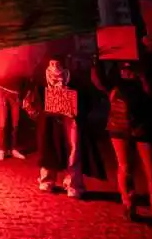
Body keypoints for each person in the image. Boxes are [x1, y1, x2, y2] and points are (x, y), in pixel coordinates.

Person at [91, 40, 152, 226]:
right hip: (119, 124)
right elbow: (101, 83)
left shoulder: (149, 68)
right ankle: (129, 206)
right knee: (125, 168)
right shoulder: (115, 70)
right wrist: (97, 61)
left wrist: (142, 75)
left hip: (143, 126)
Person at [36, 55, 105, 198]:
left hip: (71, 117)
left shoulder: (74, 75)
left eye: (58, 62)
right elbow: (37, 94)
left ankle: (73, 183)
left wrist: (77, 109)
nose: (55, 65)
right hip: (50, 118)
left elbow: (86, 94)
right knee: (49, 145)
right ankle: (48, 179)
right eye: (52, 62)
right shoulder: (41, 75)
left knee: (73, 148)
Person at [0, 77, 29, 161]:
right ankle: (1, 149)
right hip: (1, 87)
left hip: (15, 90)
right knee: (2, 121)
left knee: (15, 122)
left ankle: (13, 148)